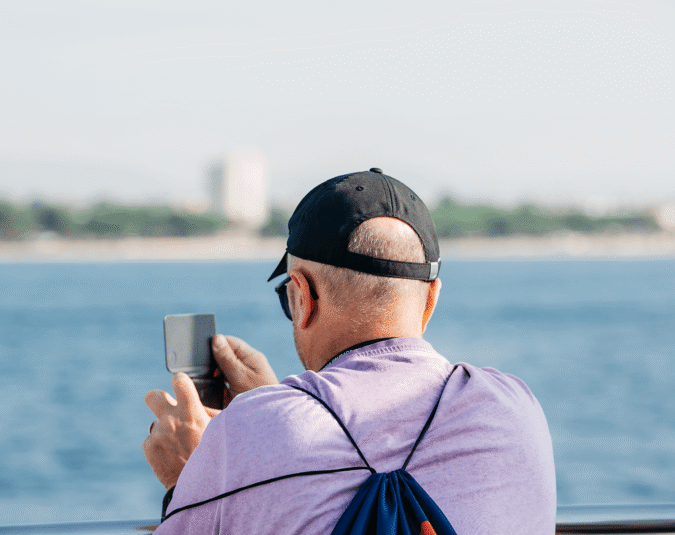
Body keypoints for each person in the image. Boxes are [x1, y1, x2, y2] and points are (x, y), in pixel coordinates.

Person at [143, 168, 556, 534]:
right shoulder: (515, 408)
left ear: (302, 296)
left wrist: (188, 480)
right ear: (431, 299)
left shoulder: (244, 437)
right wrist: (268, 408)